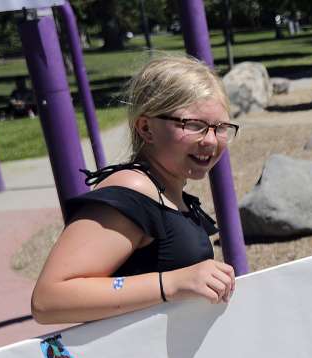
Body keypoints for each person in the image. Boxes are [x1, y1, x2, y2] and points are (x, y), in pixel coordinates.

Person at [31, 55, 240, 325]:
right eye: (194, 126)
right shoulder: (134, 189)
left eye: (220, 128)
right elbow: (49, 299)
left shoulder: (167, 192)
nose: (210, 141)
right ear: (146, 128)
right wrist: (172, 283)